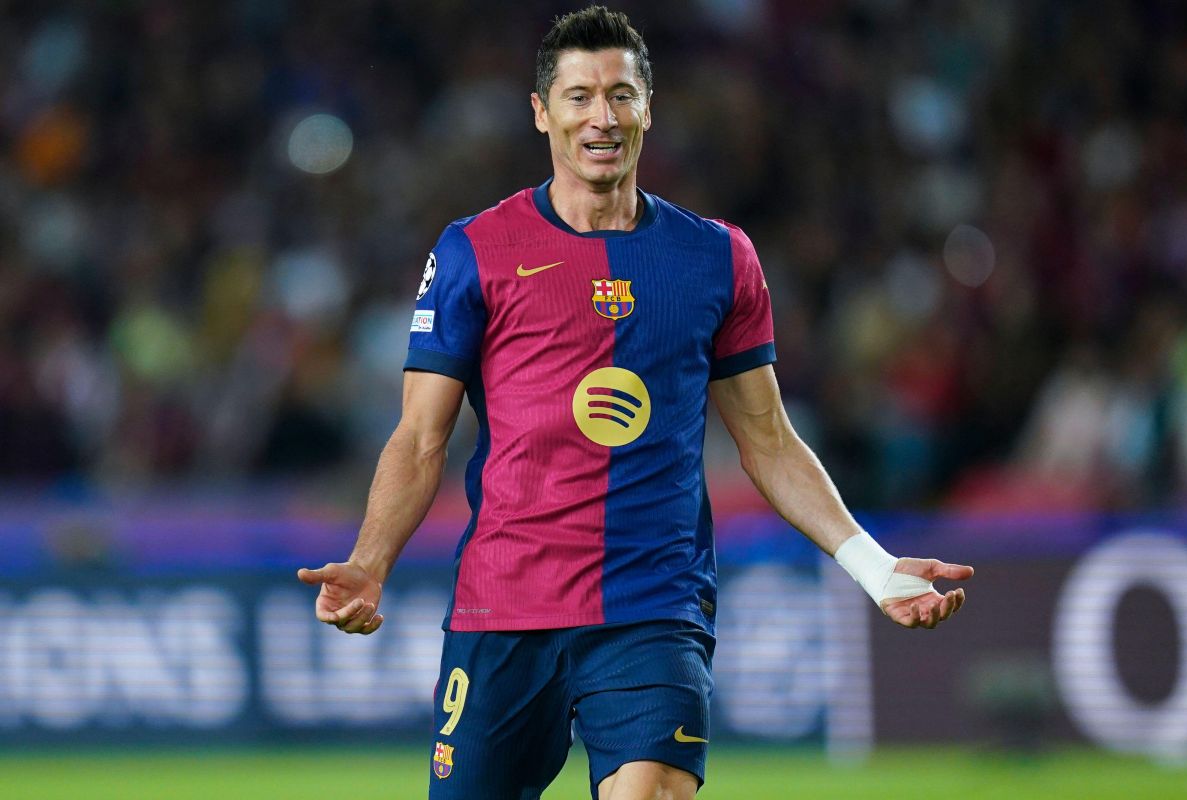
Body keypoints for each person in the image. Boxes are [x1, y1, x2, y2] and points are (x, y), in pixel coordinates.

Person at [298, 7, 973, 800]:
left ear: (648, 109)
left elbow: (769, 440)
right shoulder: (474, 251)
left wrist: (874, 566)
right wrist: (371, 562)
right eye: (579, 96)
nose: (603, 117)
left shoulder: (718, 258)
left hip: (653, 607)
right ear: (541, 111)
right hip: (504, 606)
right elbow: (420, 439)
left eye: (621, 95)